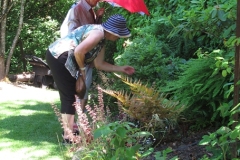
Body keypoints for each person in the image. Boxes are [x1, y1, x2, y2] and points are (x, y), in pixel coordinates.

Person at [46, 14, 135, 143]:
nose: (118, 38)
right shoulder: (98, 34)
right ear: (112, 31)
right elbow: (78, 51)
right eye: (119, 34)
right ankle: (68, 136)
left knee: (71, 96)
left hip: (61, 56)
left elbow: (99, 64)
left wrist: (121, 68)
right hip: (59, 56)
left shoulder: (101, 39)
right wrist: (82, 71)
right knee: (69, 96)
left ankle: (70, 130)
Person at [60, 0, 105, 111]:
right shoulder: (77, 9)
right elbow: (71, 34)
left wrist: (98, 18)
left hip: (87, 57)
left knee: (84, 89)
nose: (98, 1)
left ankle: (80, 120)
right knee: (76, 89)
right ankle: (73, 121)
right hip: (76, 56)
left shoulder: (91, 11)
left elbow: (94, 30)